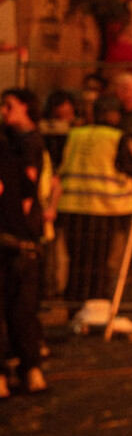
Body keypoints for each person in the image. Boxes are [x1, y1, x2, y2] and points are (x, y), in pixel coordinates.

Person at [54, 98, 132, 303]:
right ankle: (96, 303)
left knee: (76, 260)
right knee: (98, 262)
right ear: (115, 115)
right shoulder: (118, 137)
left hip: (72, 206)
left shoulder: (75, 134)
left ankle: (74, 302)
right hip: (104, 209)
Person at [0, 89, 48, 396]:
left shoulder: (26, 146)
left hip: (11, 239)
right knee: (23, 310)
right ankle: (30, 369)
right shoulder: (16, 154)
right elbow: (30, 191)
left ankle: (6, 375)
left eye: (8, 106)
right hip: (23, 239)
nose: (3, 111)